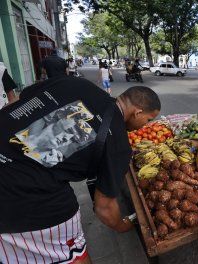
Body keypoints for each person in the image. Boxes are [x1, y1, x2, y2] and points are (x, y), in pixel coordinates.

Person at [0, 77, 160, 264]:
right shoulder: (118, 145)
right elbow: (104, 209)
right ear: (137, 112)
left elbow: (19, 101)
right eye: (148, 120)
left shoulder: (77, 83)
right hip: (25, 198)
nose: (146, 125)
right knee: (73, 255)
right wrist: (124, 225)